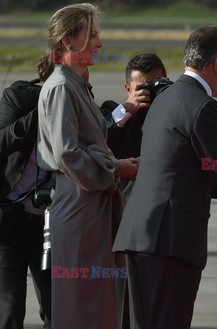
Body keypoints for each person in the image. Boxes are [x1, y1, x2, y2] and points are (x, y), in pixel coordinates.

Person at [112, 26, 217, 329]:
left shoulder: (164, 98)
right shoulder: (204, 106)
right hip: (170, 239)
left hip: (140, 233)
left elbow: (183, 167)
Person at [35, 3, 138, 329]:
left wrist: (116, 162)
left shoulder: (74, 83)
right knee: (85, 304)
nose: (99, 43)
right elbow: (67, 154)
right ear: (68, 41)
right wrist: (114, 170)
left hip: (90, 202)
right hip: (81, 203)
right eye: (92, 35)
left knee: (100, 300)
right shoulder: (63, 87)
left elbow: (88, 142)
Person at [0, 79, 51, 329]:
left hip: (49, 226)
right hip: (11, 221)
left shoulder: (80, 104)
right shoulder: (19, 97)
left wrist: (123, 111)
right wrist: (40, 114)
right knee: (9, 309)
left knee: (57, 307)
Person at [103, 52, 168, 199]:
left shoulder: (173, 116)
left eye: (154, 86)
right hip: (125, 202)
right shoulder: (115, 113)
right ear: (128, 89)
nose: (149, 93)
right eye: (143, 88)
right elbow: (100, 138)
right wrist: (126, 109)